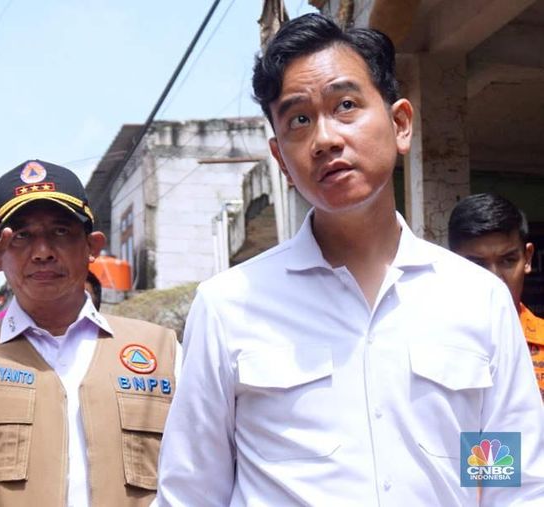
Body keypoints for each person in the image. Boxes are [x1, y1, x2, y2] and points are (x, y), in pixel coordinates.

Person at [156, 13, 544, 506]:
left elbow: (508, 485)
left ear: (401, 123)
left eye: (345, 105)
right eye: (299, 119)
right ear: (281, 160)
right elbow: (192, 492)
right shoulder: (230, 307)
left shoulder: (475, 300)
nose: (324, 139)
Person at [0, 160, 180, 506]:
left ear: (93, 246)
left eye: (61, 232)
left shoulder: (162, 350)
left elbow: (203, 471)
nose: (42, 252)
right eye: (20, 236)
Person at [449, 193, 544, 400]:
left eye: (508, 261)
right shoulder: (431, 342)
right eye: (477, 264)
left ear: (527, 259)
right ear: (451, 263)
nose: (494, 279)